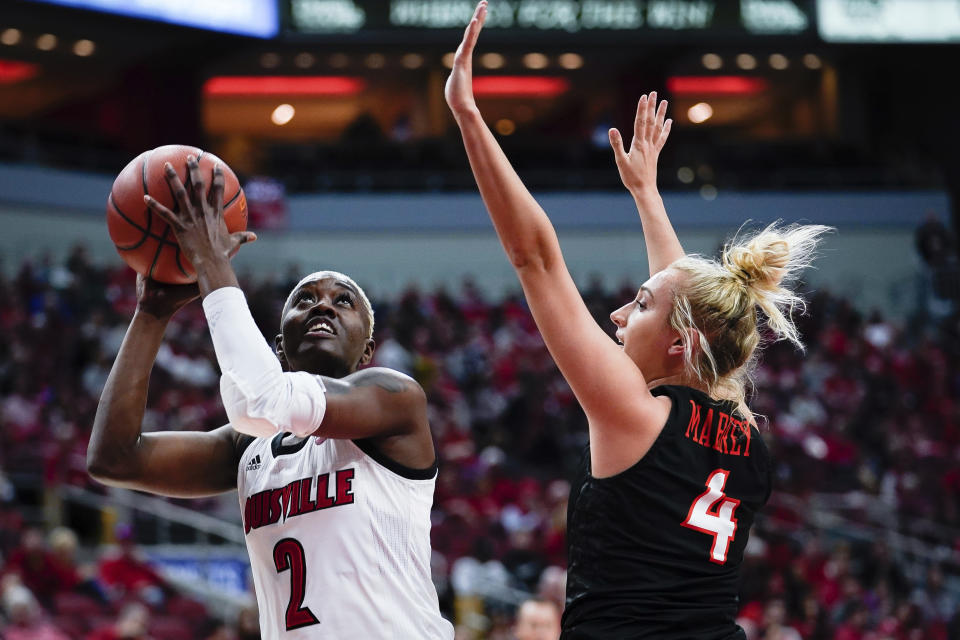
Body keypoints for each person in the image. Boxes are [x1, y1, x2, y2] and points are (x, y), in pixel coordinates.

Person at [445, 3, 830, 638]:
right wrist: (647, 197)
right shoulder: (745, 437)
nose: (619, 314)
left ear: (680, 344)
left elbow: (535, 258)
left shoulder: (632, 413)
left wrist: (468, 114)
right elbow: (689, 310)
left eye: (639, 304)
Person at [87, 158, 453, 638]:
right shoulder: (249, 445)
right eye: (304, 300)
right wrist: (152, 314)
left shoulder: (394, 398)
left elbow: (266, 397)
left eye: (344, 301)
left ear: (368, 349)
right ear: (278, 346)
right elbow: (113, 458)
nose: (322, 304)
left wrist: (211, 262)